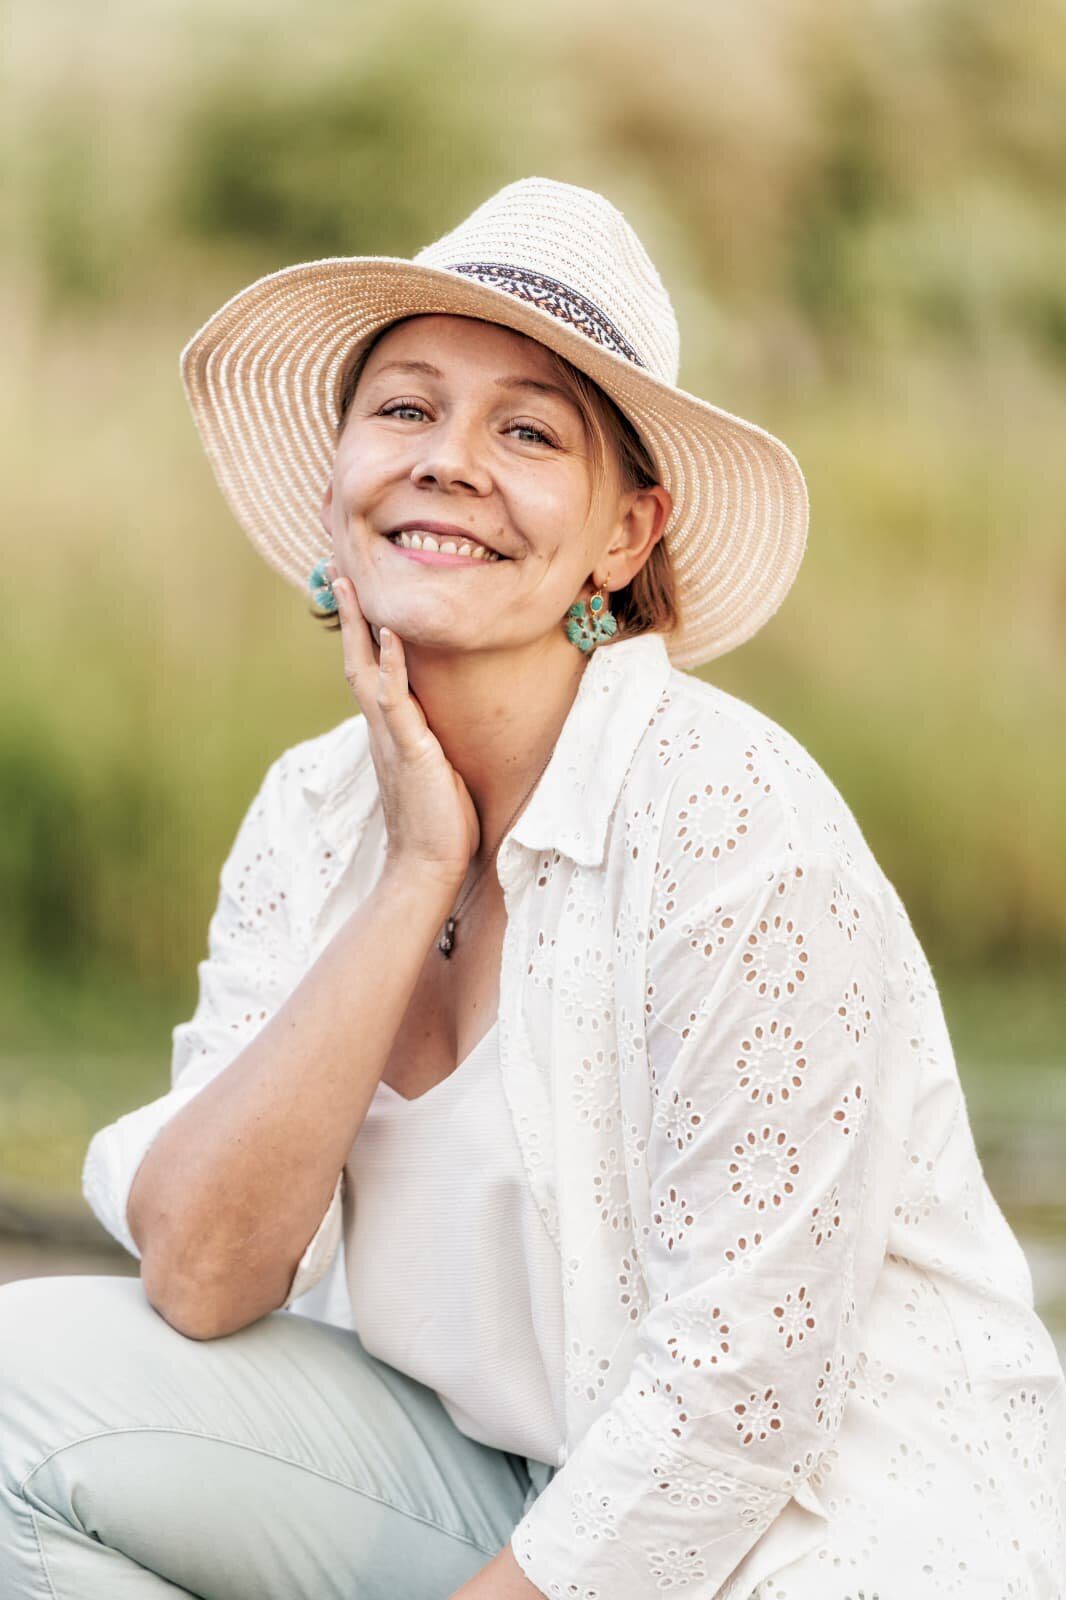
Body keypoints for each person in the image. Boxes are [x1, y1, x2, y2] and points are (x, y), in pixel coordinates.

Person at [1, 176, 1062, 1600]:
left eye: (526, 431)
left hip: (821, 1544)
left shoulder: (732, 821)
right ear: (337, 480)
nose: (447, 460)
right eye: (403, 409)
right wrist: (413, 873)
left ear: (623, 540)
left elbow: (735, 1406)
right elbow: (201, 1277)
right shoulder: (314, 814)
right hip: (500, 1486)